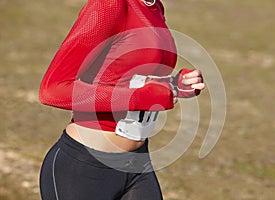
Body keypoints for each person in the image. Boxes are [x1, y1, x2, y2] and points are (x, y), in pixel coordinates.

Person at [39, 0, 205, 199]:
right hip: (84, 167)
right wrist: (136, 98)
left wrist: (174, 85)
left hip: (137, 163)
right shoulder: (110, 4)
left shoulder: (155, 7)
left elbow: (129, 75)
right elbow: (53, 89)